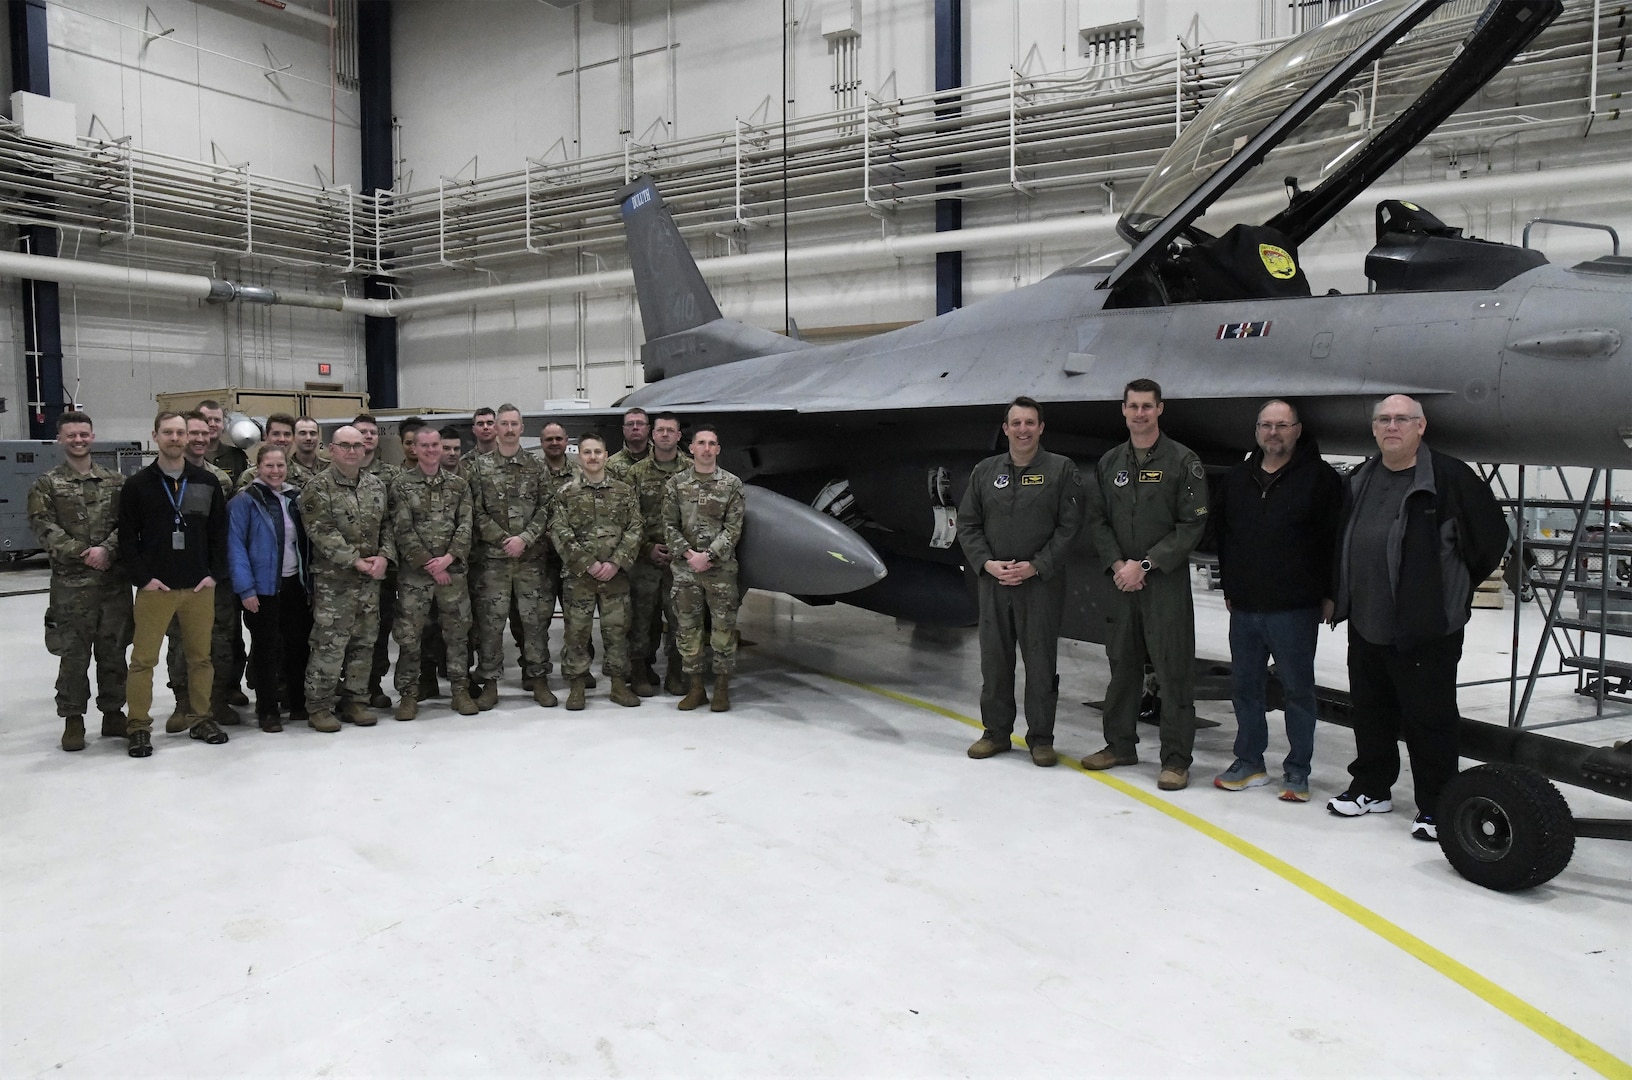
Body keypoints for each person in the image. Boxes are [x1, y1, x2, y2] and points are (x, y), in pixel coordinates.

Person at [1327, 394, 1507, 840]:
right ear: (1373, 429)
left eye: (1402, 419)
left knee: (1429, 718)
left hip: (1426, 627)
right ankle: (1372, 787)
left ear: (1421, 427)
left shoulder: (1450, 478)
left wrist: (1452, 589)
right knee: (1370, 712)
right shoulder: (1360, 479)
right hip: (1367, 621)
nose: (1392, 426)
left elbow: (1489, 539)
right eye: (1384, 420)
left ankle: (1436, 804)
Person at [1210, 400, 1342, 802]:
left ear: (1298, 430)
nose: (1273, 433)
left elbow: (1335, 544)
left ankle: (1298, 770)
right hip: (1246, 607)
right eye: (1266, 426)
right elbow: (1225, 538)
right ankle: (1250, 761)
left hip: (1295, 609)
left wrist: (1331, 595)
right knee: (1245, 687)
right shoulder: (1236, 479)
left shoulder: (1321, 481)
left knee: (1298, 692)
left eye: (1282, 426)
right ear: (1256, 432)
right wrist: (1230, 587)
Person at [1082, 378, 1209, 790]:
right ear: (1123, 410)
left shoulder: (1182, 461)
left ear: (1160, 409)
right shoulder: (1110, 463)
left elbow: (1192, 523)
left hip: (1163, 585)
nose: (1140, 413)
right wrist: (1120, 565)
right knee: (1122, 667)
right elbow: (1097, 521)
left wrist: (1147, 565)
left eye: (1147, 406)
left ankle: (1175, 759)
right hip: (1122, 582)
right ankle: (1119, 745)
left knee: (1172, 672)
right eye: (1133, 406)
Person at [956, 397, 1084, 767]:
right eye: (1016, 423)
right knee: (994, 663)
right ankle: (995, 733)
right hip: (994, 583)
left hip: (1040, 584)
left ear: (1041, 428)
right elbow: (968, 524)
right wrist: (986, 564)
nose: (1023, 430)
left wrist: (1036, 566)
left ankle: (1041, 739)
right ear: (1006, 428)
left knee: (1041, 664)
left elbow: (1069, 527)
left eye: (1030, 423)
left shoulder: (1061, 470)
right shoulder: (985, 471)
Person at [117, 410, 230, 757]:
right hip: (156, 588)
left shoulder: (206, 482)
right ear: (156, 436)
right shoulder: (137, 486)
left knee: (200, 658)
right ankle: (138, 726)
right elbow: (126, 539)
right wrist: (143, 579)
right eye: (168, 432)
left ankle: (200, 718)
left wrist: (213, 574)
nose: (176, 438)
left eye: (181, 432)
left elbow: (218, 533)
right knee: (143, 661)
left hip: (198, 588)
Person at [27, 410, 132, 751]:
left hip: (112, 585)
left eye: (83, 434)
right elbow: (44, 527)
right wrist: (83, 551)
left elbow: (128, 525)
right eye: (71, 435)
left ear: (92, 436)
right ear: (60, 439)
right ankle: (73, 719)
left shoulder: (116, 482)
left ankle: (114, 713)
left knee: (113, 652)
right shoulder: (47, 484)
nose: (78, 440)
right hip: (70, 587)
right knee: (73, 655)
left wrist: (108, 550)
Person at [300, 426, 393, 733]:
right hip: (335, 582)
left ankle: (355, 700)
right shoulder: (318, 487)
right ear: (331, 449)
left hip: (369, 582)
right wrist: (356, 561)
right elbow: (321, 531)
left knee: (364, 644)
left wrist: (383, 556)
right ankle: (319, 705)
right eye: (345, 445)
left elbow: (388, 525)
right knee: (329, 645)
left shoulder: (376, 486)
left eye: (357, 445)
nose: (353, 451)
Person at [469, 404, 556, 708]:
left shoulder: (537, 466)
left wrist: (526, 539)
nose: (507, 429)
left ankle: (538, 679)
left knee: (535, 622)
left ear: (522, 428)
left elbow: (548, 508)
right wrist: (503, 539)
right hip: (493, 562)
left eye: (513, 424)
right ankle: (490, 682)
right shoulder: (479, 467)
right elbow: (475, 511)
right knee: (490, 625)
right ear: (495, 428)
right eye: (502, 424)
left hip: (530, 561)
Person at [390, 426, 478, 719]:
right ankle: (408, 694)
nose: (430, 450)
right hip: (416, 577)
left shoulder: (458, 485)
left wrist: (448, 559)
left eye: (435, 445)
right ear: (414, 448)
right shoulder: (401, 485)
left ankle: (459, 690)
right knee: (410, 635)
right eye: (423, 445)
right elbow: (402, 530)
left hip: (452, 575)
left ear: (442, 448)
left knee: (457, 634)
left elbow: (465, 525)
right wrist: (430, 563)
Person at [550, 432, 643, 710]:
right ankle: (577, 686)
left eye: (598, 452)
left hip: (616, 576)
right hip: (579, 577)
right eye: (587, 452)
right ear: (579, 457)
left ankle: (617, 685)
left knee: (617, 632)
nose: (593, 457)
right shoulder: (566, 493)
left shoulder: (624, 492)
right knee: (576, 633)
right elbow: (559, 531)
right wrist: (588, 563)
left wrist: (615, 562)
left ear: (605, 455)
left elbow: (636, 528)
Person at [163, 411, 245, 728]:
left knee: (220, 640)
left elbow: (226, 530)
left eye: (202, 433)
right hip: (175, 576)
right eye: (190, 433)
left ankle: (217, 700)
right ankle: (183, 703)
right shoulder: (159, 477)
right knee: (181, 642)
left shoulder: (219, 479)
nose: (198, 439)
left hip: (214, 575)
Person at [227, 445, 313, 732]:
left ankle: (297, 703)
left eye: (280, 466)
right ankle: (267, 710)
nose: (275, 471)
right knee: (265, 650)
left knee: (298, 646)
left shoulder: (295, 498)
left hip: (294, 584)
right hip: (261, 589)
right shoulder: (244, 502)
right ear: (257, 467)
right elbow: (235, 547)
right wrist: (245, 589)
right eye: (269, 466)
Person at [662, 424, 745, 712]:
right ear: (692, 448)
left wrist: (707, 556)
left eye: (712, 443)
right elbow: (669, 526)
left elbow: (733, 528)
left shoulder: (732, 484)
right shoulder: (676, 484)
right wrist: (689, 554)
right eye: (701, 443)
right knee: (688, 630)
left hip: (720, 571)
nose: (707, 448)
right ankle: (696, 688)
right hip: (685, 570)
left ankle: (721, 688)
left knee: (723, 630)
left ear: (718, 450)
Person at [624, 412, 691, 696]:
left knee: (679, 617)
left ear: (678, 436)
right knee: (641, 617)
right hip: (645, 559)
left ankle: (676, 672)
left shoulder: (692, 470)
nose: (664, 435)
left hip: (681, 559)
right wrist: (646, 548)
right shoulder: (636, 473)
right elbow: (627, 516)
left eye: (670, 431)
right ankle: (639, 671)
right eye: (660, 430)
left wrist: (682, 549)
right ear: (653, 435)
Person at [355, 412, 402, 707]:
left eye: (372, 432)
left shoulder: (390, 476)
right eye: (362, 432)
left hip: (380, 572)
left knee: (378, 630)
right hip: (343, 571)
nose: (368, 437)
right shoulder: (332, 474)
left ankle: (373, 684)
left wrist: (384, 556)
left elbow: (394, 522)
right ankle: (346, 687)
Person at [235, 413, 303, 490]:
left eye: (287, 434)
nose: (282, 439)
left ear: (293, 438)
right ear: (265, 436)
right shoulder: (249, 476)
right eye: (276, 434)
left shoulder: (303, 477)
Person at [197, 398, 249, 480]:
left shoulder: (237, 457)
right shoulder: (189, 455)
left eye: (217, 420)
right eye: (207, 420)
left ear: (223, 424)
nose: (212, 424)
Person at [606, 408, 652, 478]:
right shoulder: (610, 465)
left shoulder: (661, 459)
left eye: (640, 423)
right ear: (624, 430)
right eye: (630, 424)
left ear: (648, 429)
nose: (635, 427)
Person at [291, 416, 328, 481]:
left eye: (312, 433)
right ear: (293, 437)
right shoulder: (284, 469)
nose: (308, 438)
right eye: (303, 433)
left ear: (318, 437)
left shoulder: (329, 468)